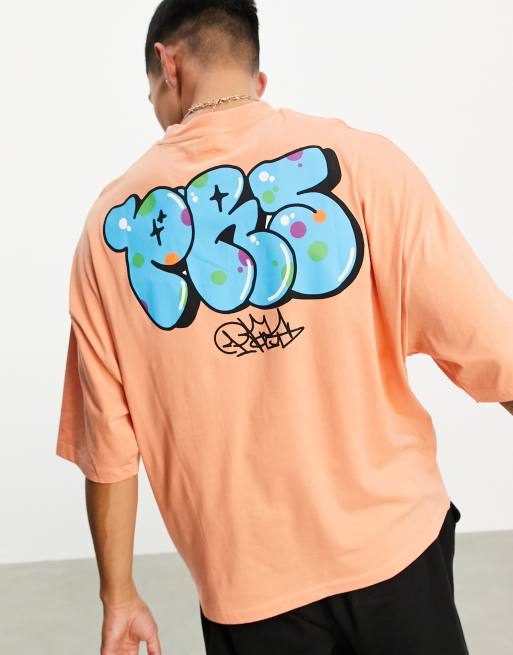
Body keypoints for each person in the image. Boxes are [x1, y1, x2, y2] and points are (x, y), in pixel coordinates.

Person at [55, 1, 513, 653]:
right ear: (256, 80)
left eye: (149, 91)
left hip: (249, 587)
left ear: (168, 64)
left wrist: (120, 594)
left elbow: (108, 444)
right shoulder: (365, 163)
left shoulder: (111, 231)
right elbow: (492, 344)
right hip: (393, 546)